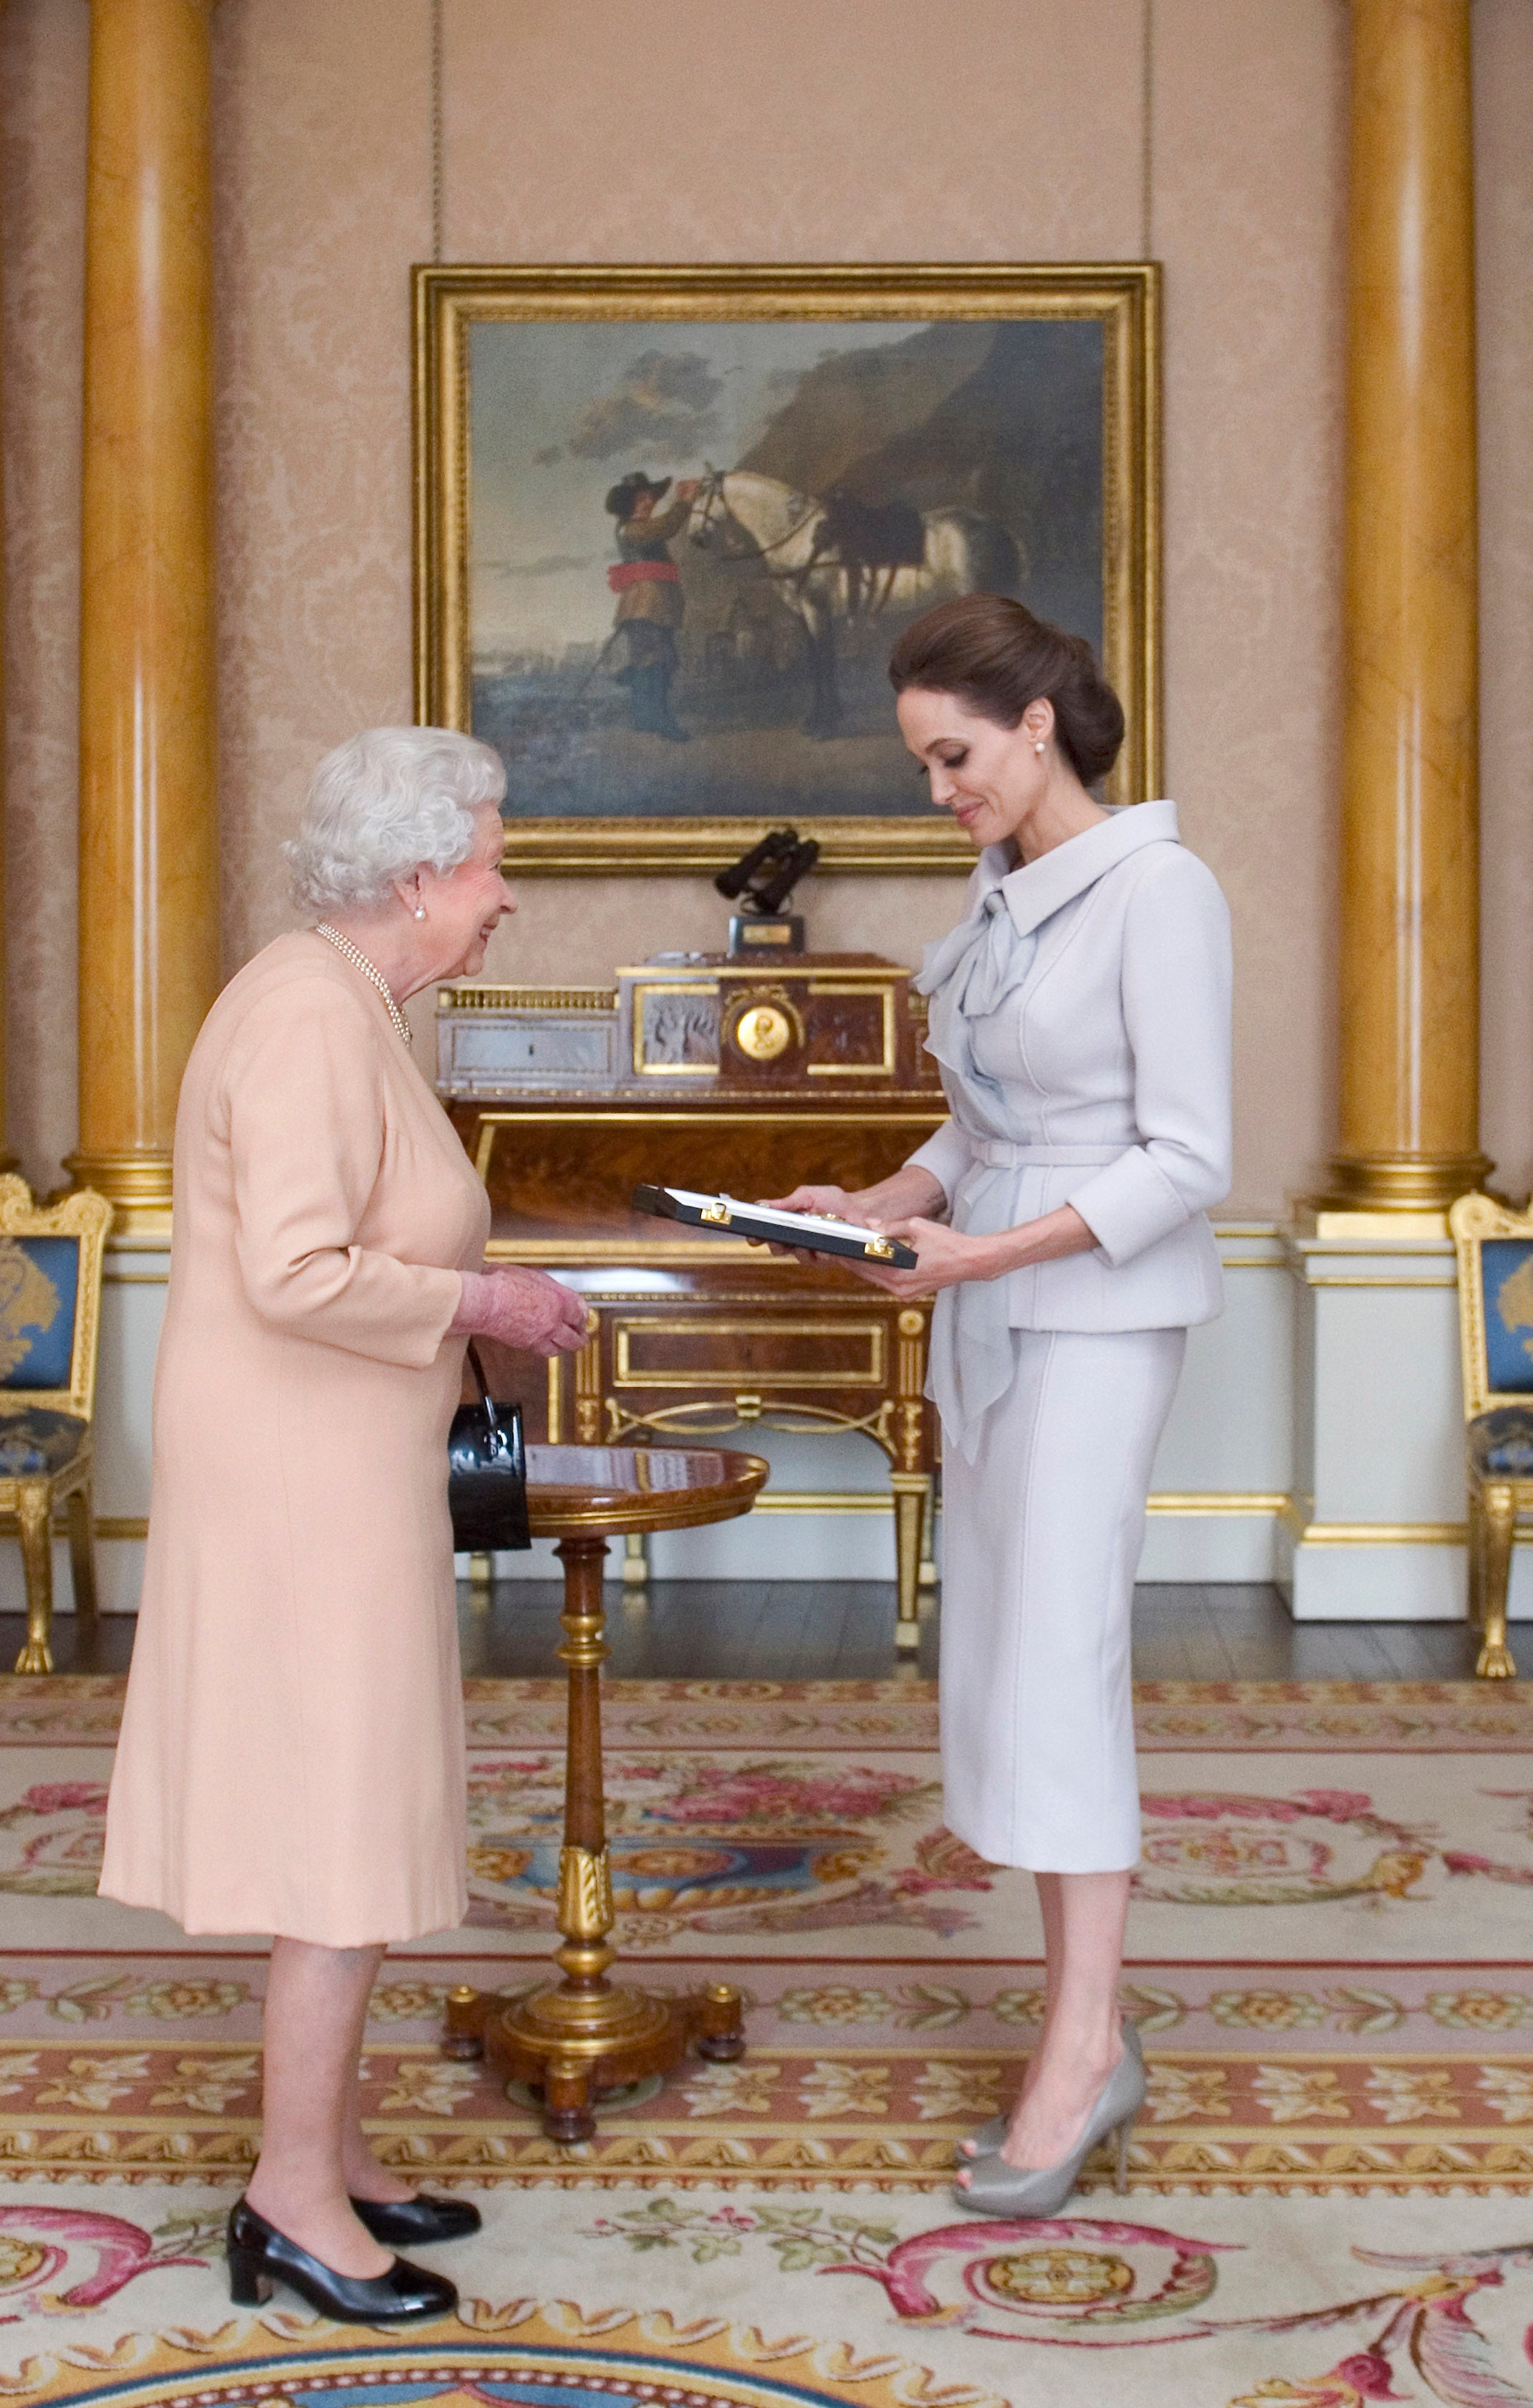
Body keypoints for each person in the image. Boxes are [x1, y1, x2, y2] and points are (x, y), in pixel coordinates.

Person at [100, 726, 593, 2325]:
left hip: (331, 1461)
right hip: (297, 1481)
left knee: (358, 1809)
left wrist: (473, 1317)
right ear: (414, 877)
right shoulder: (312, 1015)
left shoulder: (347, 1001)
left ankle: (329, 2150)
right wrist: (484, 1297)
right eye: (491, 860)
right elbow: (297, 1273)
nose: (504, 892)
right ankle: (293, 2202)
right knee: (332, 1826)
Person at [764, 593, 1232, 2216]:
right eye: (920, 764)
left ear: (1035, 726)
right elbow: (972, 1133)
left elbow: (1183, 1159)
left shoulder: (1156, 894)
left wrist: (971, 1258)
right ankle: (1080, 2027)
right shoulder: (997, 904)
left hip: (1096, 1319)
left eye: (950, 755)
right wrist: (880, 1197)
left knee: (1060, 1665)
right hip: (989, 1303)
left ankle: (1082, 2047)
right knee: (1008, 1669)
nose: (936, 788)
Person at [602, 470, 697, 739]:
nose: (648, 503)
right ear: (628, 505)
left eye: (649, 498)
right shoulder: (634, 529)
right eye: (641, 499)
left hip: (652, 606)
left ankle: (645, 718)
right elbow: (667, 527)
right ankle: (663, 723)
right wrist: (685, 501)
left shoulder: (634, 527)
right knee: (657, 662)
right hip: (646, 606)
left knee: (652, 662)